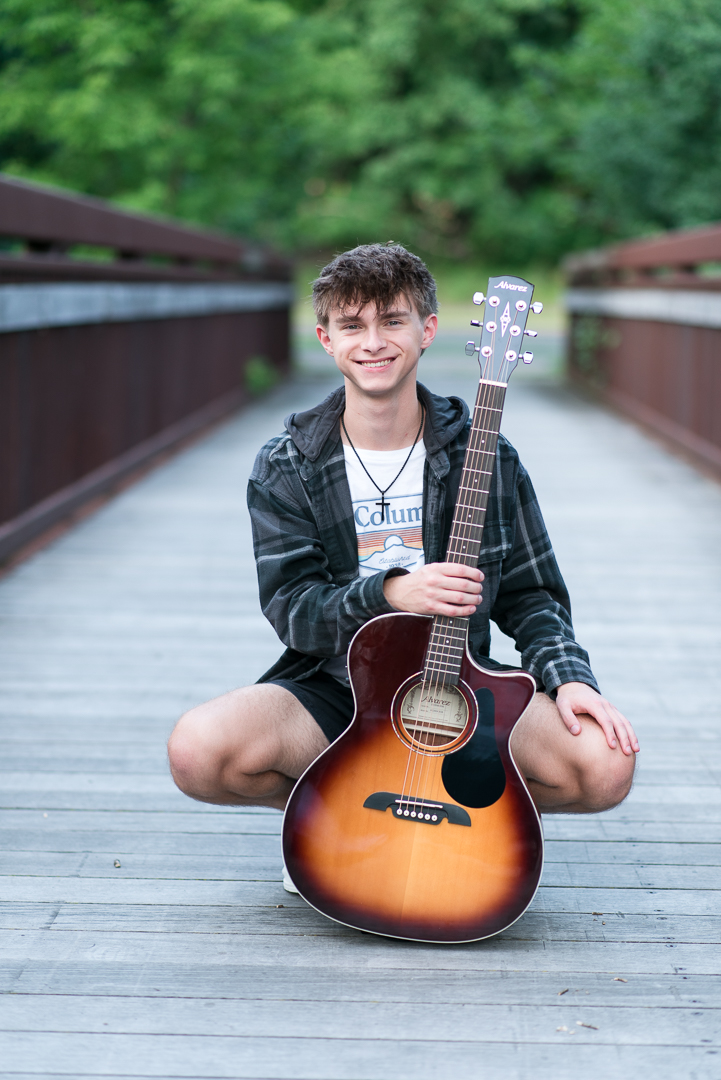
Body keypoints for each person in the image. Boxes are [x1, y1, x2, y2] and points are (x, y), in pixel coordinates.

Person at [168, 243, 638, 848]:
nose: (373, 342)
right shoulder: (288, 465)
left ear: (427, 331)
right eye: (352, 325)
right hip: (339, 688)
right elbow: (295, 613)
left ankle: (474, 827)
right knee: (198, 751)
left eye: (392, 320)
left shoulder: (485, 454)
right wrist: (394, 591)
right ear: (325, 339)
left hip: (462, 687)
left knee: (604, 766)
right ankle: (334, 817)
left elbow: (533, 595)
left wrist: (570, 678)